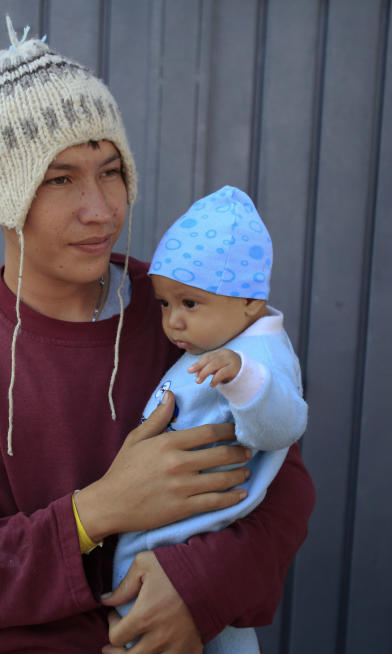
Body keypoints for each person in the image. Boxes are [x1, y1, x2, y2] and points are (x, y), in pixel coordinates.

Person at [0, 17, 315, 653]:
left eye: (110, 171)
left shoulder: (183, 311)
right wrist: (94, 514)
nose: (101, 208)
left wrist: (198, 590)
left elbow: (286, 488)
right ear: (3, 196)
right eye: (61, 179)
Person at [111, 186, 308, 653]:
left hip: (196, 538)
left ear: (249, 303)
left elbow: (283, 425)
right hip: (170, 538)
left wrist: (243, 380)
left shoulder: (258, 355)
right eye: (165, 304)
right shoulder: (218, 340)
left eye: (190, 304)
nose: (173, 322)